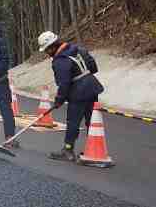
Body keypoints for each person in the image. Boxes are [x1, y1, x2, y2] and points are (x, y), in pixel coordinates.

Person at [37, 31, 105, 162]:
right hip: (91, 87)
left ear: (52, 47)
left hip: (78, 93)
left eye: (46, 50)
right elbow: (93, 67)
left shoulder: (60, 61)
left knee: (73, 122)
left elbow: (64, 83)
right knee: (92, 121)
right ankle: (94, 149)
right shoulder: (78, 49)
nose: (47, 53)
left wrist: (59, 100)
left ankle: (68, 150)